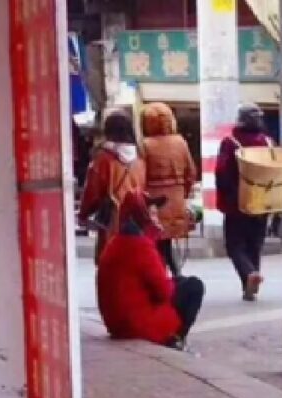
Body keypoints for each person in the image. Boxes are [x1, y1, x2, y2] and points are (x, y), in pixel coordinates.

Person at [96, 190, 204, 350]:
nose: (156, 219)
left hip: (117, 322)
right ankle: (174, 339)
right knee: (194, 286)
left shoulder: (115, 243)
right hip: (136, 326)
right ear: (142, 218)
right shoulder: (140, 246)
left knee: (180, 282)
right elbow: (164, 291)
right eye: (152, 214)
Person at [215, 103, 272, 301]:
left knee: (234, 246)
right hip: (262, 202)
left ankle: (249, 275)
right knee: (254, 245)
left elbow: (221, 173)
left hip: (237, 204)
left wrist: (226, 197)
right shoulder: (267, 142)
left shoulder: (230, 142)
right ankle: (249, 286)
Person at [79, 111, 146, 262]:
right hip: (136, 220)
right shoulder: (140, 160)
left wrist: (83, 215)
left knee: (110, 263)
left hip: (112, 220)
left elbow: (92, 190)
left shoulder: (104, 159)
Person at [140, 102, 197, 277]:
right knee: (166, 240)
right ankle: (175, 273)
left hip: (155, 201)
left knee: (156, 239)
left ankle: (164, 276)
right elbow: (191, 172)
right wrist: (184, 194)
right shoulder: (180, 142)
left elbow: (140, 176)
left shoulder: (145, 145)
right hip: (177, 199)